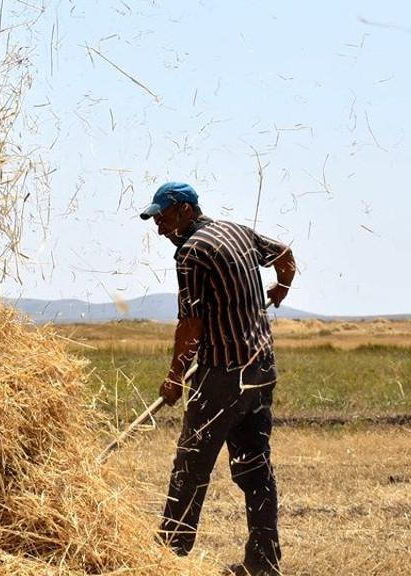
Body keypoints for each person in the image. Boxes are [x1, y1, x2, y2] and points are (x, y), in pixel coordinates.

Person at [139, 181, 296, 576]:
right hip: (260, 370)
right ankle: (263, 562)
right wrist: (282, 287)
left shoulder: (190, 253)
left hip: (223, 376)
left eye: (164, 217)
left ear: (187, 210)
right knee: (255, 468)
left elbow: (191, 325)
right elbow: (285, 254)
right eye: (156, 220)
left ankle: (167, 559)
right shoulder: (237, 231)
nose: (159, 228)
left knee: (191, 466)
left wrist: (174, 376)